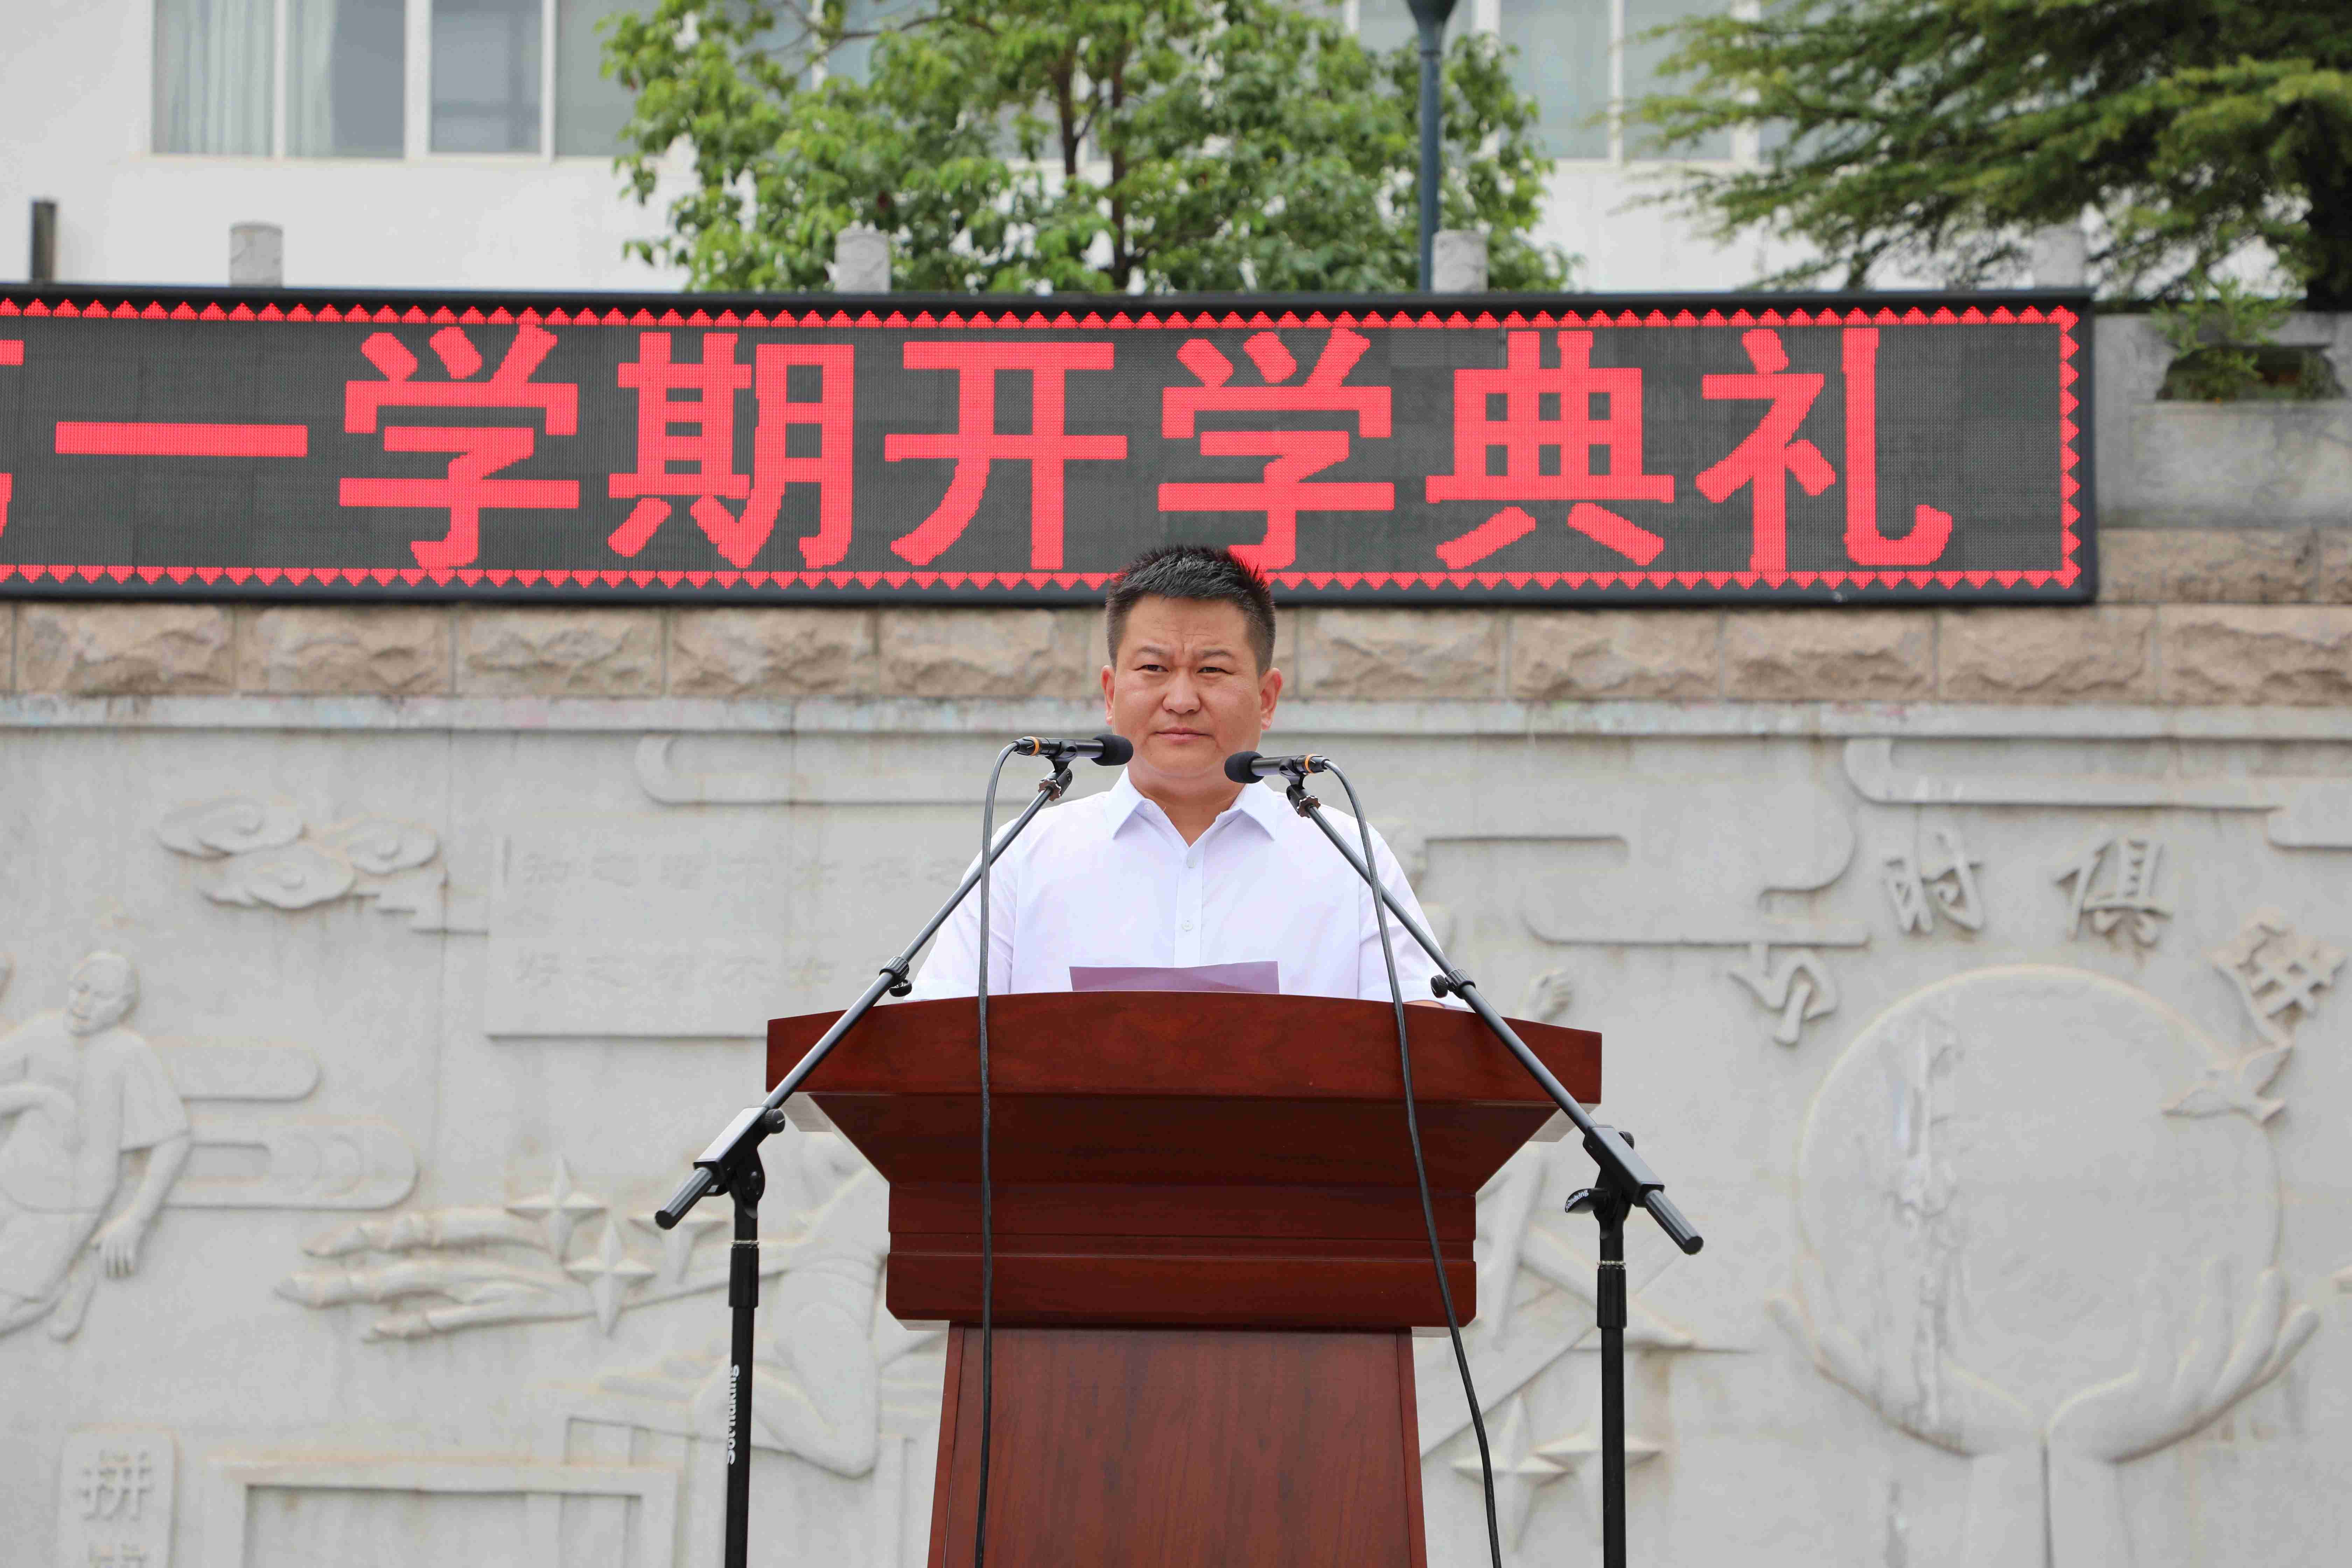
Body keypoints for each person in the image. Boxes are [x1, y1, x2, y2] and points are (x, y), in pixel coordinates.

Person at [910, 544, 1451, 1003]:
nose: (1182, 700)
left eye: (1212, 670)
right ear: (1111, 693)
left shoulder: (1348, 856)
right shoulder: (1021, 856)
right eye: (1154, 669)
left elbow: (1428, 1039)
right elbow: (940, 1038)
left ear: (1266, 699)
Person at [0, 951, 191, 1337]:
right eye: (80, 988)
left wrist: (136, 1220)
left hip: (65, 1204)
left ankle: (63, 1285)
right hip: (9, 1179)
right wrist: (40, 1097)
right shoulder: (42, 1031)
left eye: (100, 996)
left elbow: (173, 1138)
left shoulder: (129, 1053)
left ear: (123, 1006)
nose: (83, 1003)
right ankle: (64, 1276)